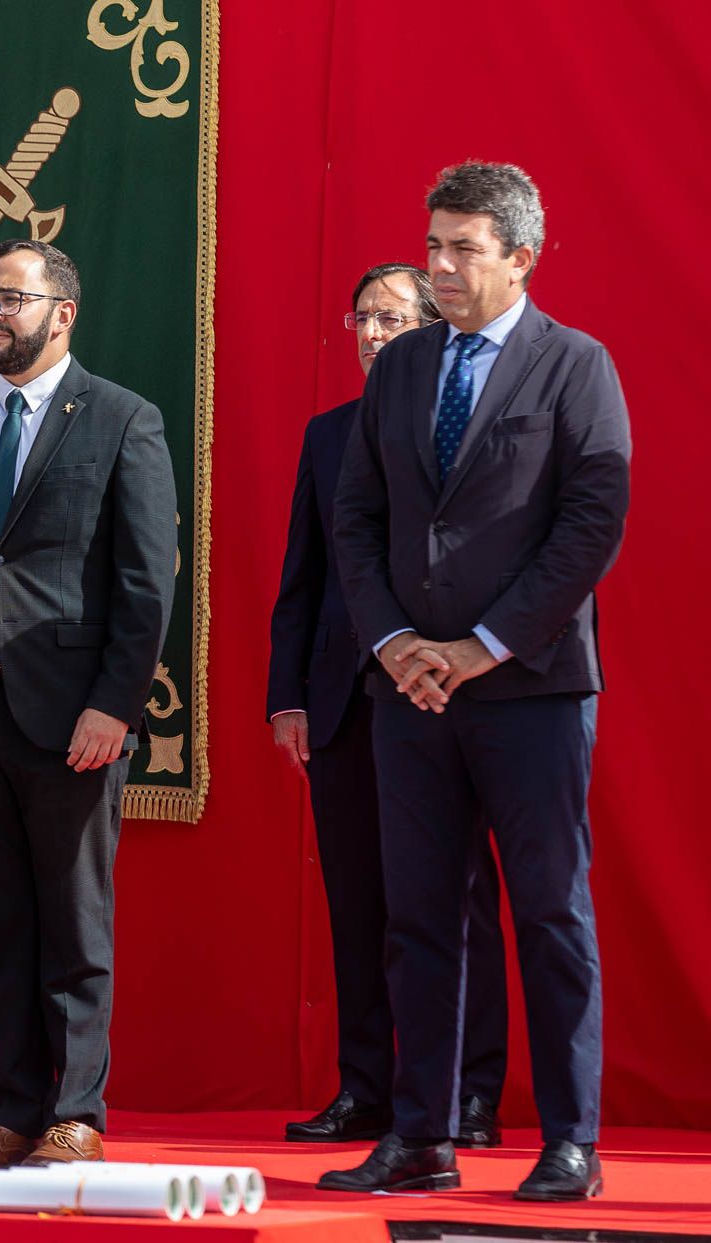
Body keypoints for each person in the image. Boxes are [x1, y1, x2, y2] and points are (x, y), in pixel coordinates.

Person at [325, 161, 630, 1201]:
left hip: (531, 689)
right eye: (434, 245)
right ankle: (421, 1136)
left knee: (548, 913)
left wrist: (484, 644)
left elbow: (591, 522)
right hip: (408, 693)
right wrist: (397, 640)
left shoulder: (573, 365)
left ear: (521, 257)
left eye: (464, 248)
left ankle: (569, 1140)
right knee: (418, 916)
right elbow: (355, 517)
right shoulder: (403, 368)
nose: (441, 267)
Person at [0, 240, 177, 1177]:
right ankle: (9, 1110)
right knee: (3, 926)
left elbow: (146, 584)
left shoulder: (123, 420)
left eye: (11, 298)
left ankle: (75, 1112)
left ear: (64, 312)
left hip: (74, 722)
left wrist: (115, 706)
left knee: (74, 923)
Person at [266, 264, 507, 1147]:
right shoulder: (329, 434)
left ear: (432, 323)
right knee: (359, 901)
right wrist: (287, 695)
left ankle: (469, 1094)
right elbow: (305, 578)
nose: (373, 334)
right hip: (344, 699)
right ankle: (364, 1087)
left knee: (456, 898)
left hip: (447, 691)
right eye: (362, 318)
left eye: (392, 318)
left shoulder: (462, 425)